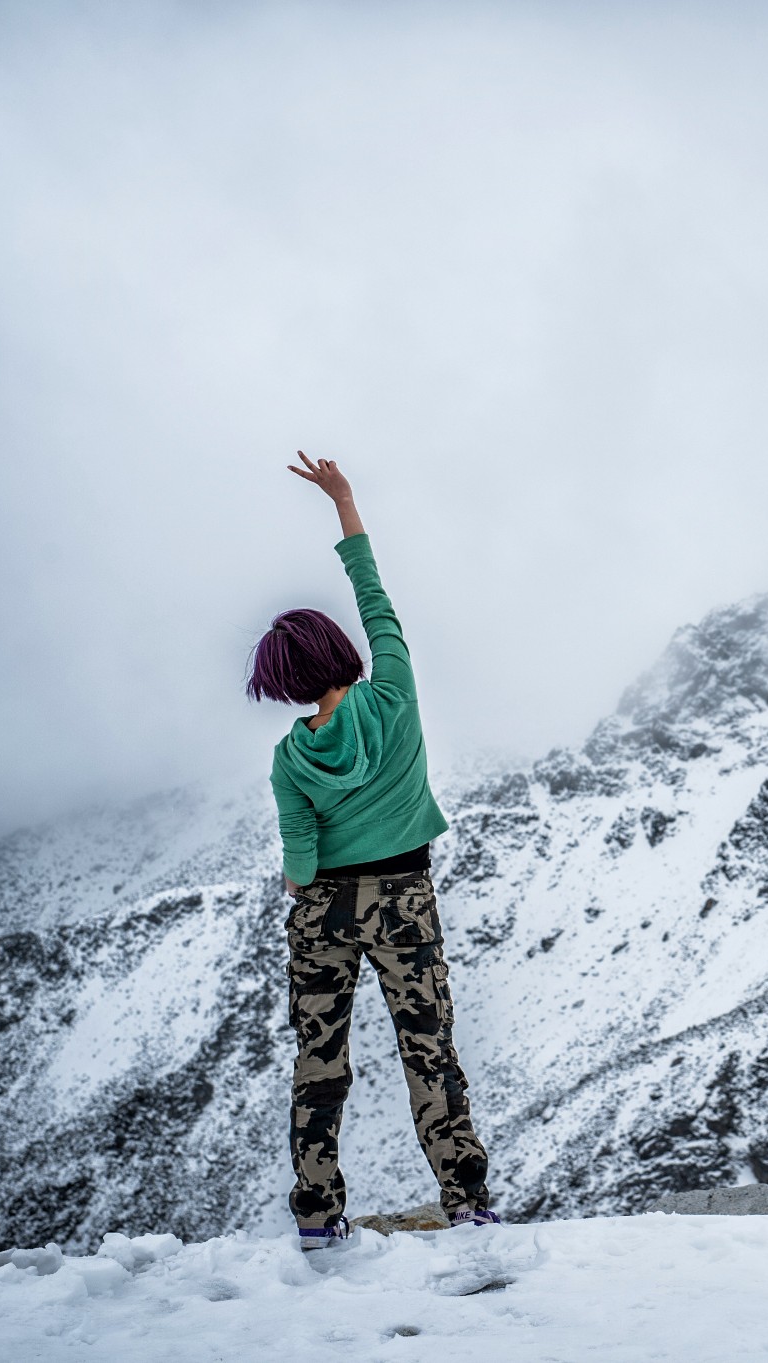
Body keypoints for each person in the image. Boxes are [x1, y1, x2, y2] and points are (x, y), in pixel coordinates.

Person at [248, 451, 496, 1249]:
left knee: (320, 1061)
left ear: (286, 681)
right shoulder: (393, 692)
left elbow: (299, 855)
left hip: (324, 909)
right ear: (339, 651)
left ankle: (317, 1217)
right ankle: (466, 1201)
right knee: (430, 1050)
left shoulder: (290, 757)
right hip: (405, 899)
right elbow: (373, 591)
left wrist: (307, 889)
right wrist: (344, 501)